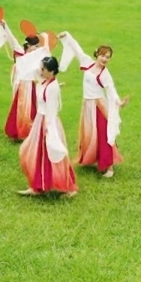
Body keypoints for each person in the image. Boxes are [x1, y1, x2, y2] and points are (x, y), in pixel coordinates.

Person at [62, 35, 125, 177]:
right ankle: (92, 158)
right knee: (90, 134)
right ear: (97, 54)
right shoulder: (88, 63)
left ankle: (109, 168)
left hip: (98, 106)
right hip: (87, 105)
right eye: (103, 55)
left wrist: (119, 102)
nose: (104, 59)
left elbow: (111, 89)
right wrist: (67, 36)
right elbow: (77, 50)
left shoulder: (105, 74)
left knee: (103, 134)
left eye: (108, 57)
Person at [17, 56, 77, 197]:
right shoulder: (45, 81)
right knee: (38, 153)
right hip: (40, 120)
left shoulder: (51, 88)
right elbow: (29, 71)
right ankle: (37, 186)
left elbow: (51, 111)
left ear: (51, 72)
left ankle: (69, 186)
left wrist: (49, 130)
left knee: (55, 153)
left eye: (43, 68)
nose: (40, 70)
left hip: (48, 123)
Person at [2, 31, 46, 141]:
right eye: (35, 46)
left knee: (31, 110)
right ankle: (18, 132)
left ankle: (29, 132)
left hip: (31, 86)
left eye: (38, 46)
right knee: (20, 109)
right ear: (28, 46)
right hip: (22, 86)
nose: (37, 49)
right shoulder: (21, 54)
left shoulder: (36, 58)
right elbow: (12, 41)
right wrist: (4, 27)